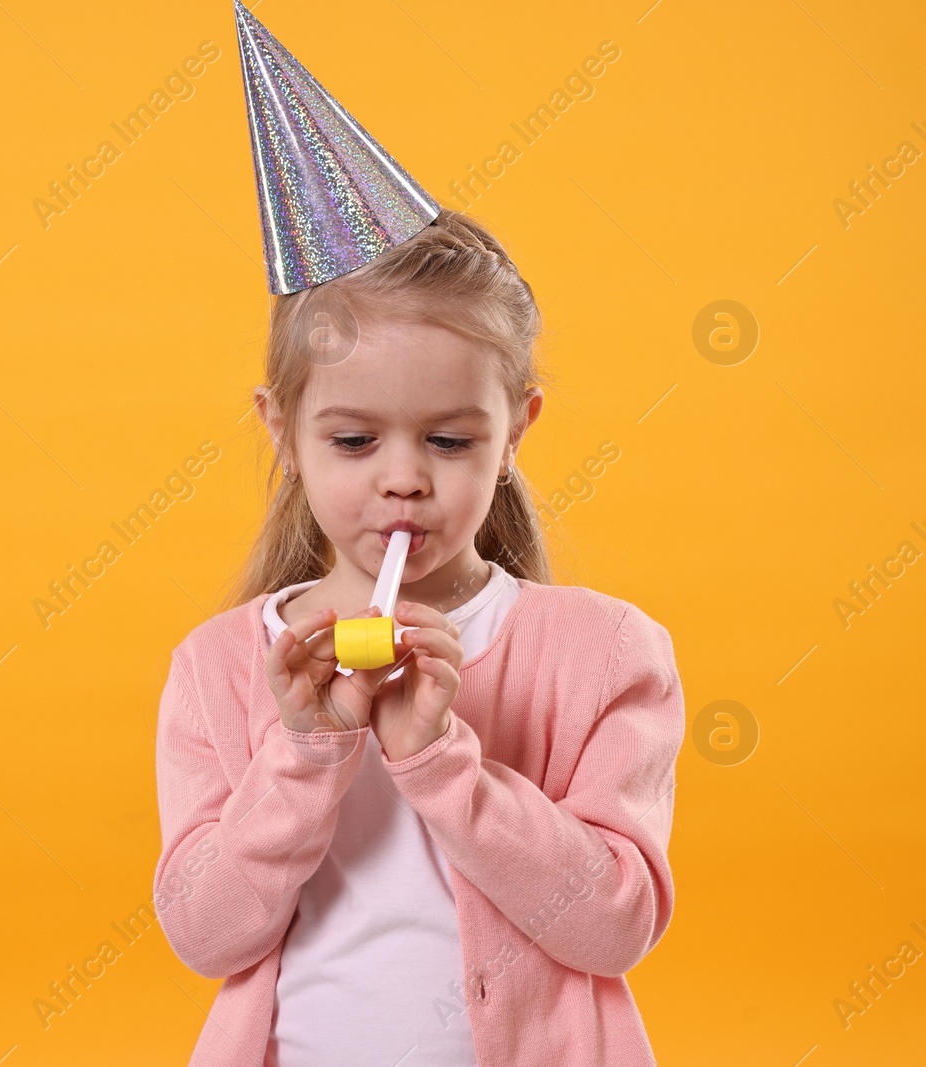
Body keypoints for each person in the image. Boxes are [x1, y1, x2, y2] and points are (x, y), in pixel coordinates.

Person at [153, 202, 686, 1065]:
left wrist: (442, 762)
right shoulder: (218, 667)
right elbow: (205, 935)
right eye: (356, 440)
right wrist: (304, 752)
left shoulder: (607, 653)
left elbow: (615, 924)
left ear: (514, 429)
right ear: (283, 430)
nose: (404, 479)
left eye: (447, 439)